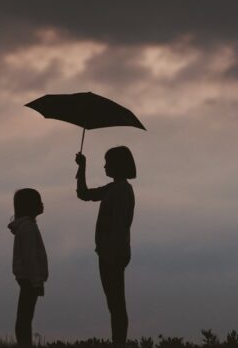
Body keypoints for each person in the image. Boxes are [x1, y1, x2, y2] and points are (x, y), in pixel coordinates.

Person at [75, 146, 136, 347]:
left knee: (116, 303)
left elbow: (119, 225)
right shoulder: (113, 188)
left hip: (113, 254)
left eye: (108, 162)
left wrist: (112, 254)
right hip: (109, 252)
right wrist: (82, 168)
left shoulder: (121, 190)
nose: (104, 166)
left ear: (118, 165)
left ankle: (119, 342)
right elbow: (84, 194)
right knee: (114, 303)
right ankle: (118, 341)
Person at [8, 188, 48, 348]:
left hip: (27, 278)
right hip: (29, 279)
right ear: (30, 206)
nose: (42, 204)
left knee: (25, 315)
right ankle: (25, 343)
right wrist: (37, 282)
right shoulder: (28, 228)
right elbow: (30, 257)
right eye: (38, 201)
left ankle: (24, 343)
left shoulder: (27, 227)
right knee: (25, 316)